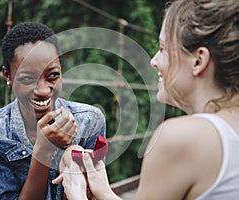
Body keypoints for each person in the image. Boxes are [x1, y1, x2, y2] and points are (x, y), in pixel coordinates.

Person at [57, 0, 239, 199]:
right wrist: (105, 192)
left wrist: (76, 194)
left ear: (198, 61)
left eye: (162, 48)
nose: (154, 61)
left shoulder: (182, 138)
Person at [0, 22, 106, 200]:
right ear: (7, 76)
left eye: (53, 75)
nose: (43, 90)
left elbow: (91, 194)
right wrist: (44, 150)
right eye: (27, 79)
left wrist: (72, 160)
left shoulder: (90, 120)